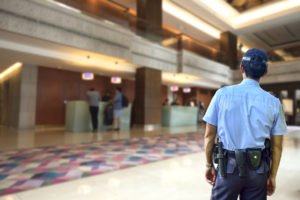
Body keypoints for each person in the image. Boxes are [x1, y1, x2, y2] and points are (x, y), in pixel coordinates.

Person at [203, 48, 287, 200]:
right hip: (258, 170)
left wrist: (209, 165)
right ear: (264, 72)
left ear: (241, 68)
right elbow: (277, 146)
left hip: (227, 168)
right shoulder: (274, 103)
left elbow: (209, 136)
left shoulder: (222, 94)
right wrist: (272, 176)